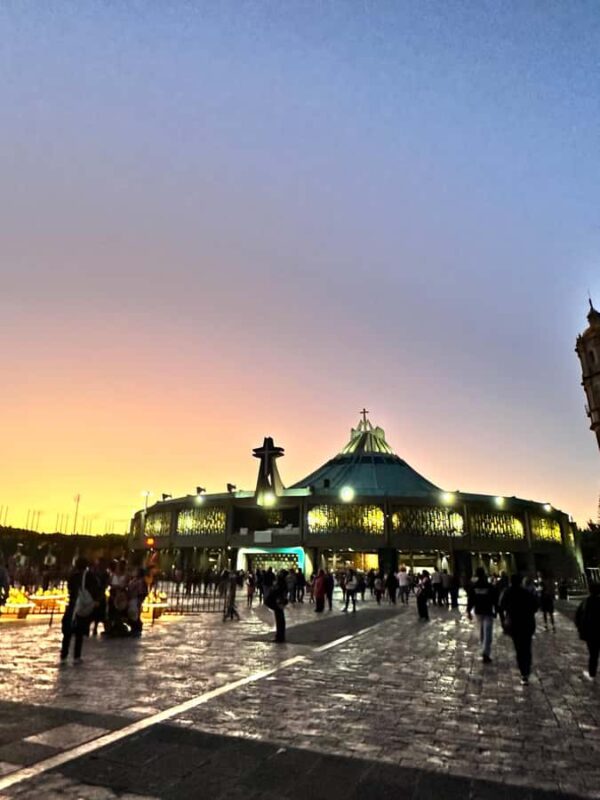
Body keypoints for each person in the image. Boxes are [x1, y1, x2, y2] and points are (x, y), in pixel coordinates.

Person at [501, 573, 539, 685]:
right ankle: (526, 669)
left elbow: (501, 605)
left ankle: (523, 673)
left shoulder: (507, 592)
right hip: (527, 623)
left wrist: (508, 614)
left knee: (519, 648)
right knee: (527, 647)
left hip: (514, 624)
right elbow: (536, 605)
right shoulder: (526, 593)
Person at [60, 558, 100, 662]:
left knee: (68, 630)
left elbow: (69, 589)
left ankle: (64, 654)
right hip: (83, 606)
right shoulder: (90, 576)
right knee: (79, 631)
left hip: (73, 604)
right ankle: (76, 656)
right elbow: (96, 588)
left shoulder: (73, 576)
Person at [467, 567, 498, 663]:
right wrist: (496, 610)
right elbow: (494, 599)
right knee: (487, 632)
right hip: (488, 611)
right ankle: (486, 652)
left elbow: (471, 600)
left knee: (481, 632)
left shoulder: (474, 586)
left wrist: (468, 611)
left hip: (478, 611)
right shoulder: (489, 586)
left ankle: (483, 648)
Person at [575, 582, 600, 680]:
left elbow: (577, 617)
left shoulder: (585, 602)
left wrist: (580, 628)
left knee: (593, 655)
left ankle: (592, 674)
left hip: (590, 633)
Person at [265, 570, 288, 642]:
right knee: (279, 619)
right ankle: (280, 636)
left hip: (278, 603)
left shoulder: (281, 583)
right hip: (278, 602)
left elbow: (278, 592)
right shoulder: (281, 583)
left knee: (280, 619)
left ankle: (280, 637)